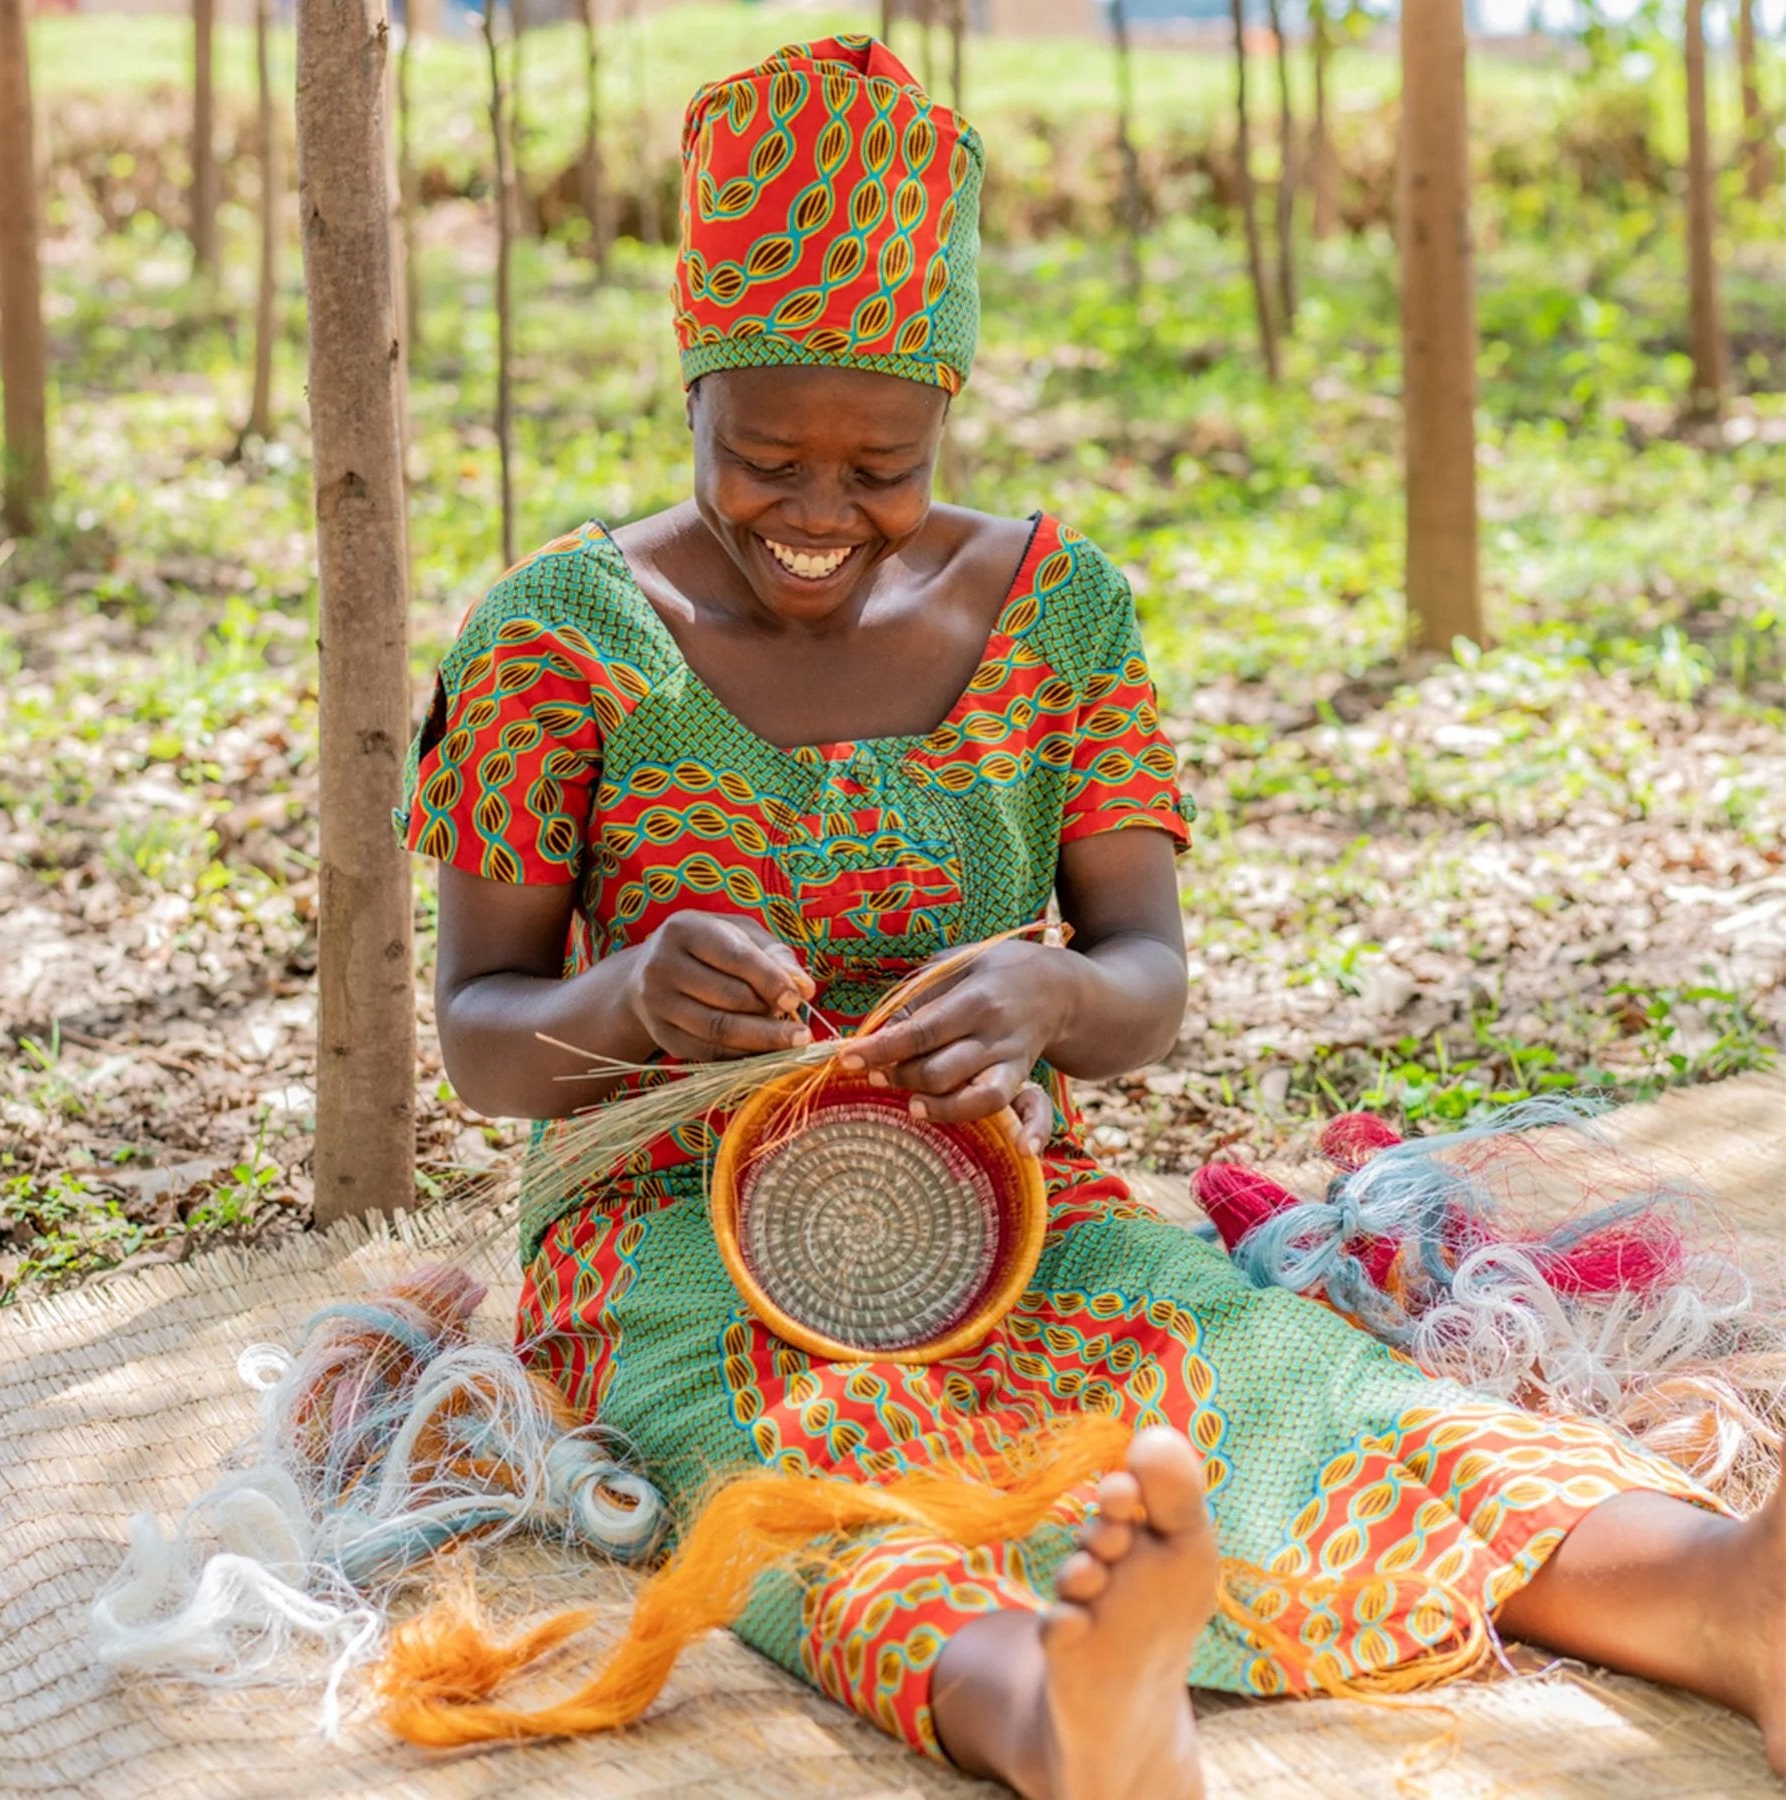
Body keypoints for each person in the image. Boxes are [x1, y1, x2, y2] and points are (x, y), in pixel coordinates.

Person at [399, 36, 1785, 1797]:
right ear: (691, 389)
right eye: (765, 456)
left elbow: (1146, 983)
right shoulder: (553, 639)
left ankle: (1728, 1603)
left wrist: (1056, 1007)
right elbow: (482, 1042)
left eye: (882, 464)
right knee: (801, 1481)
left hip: (1015, 1208)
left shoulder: (1060, 614)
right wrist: (630, 997)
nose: (821, 516)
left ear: (951, 413)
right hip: (667, 1249)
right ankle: (1053, 1710)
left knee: (1268, 1375)